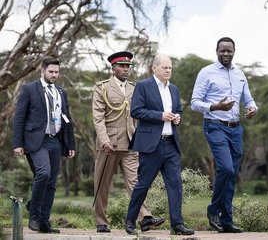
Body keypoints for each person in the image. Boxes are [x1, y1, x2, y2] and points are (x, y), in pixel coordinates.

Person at [92, 51, 165, 233]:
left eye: (128, 66)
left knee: (136, 182)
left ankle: (145, 218)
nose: (125, 69)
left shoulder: (134, 88)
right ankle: (101, 221)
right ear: (113, 67)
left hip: (132, 142)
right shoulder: (102, 88)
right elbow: (98, 118)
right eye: (121, 66)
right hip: (109, 143)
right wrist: (104, 140)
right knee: (103, 184)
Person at [190, 37, 258, 233]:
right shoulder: (206, 72)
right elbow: (195, 102)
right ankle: (213, 210)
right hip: (214, 126)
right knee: (226, 169)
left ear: (234, 51)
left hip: (236, 129)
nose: (226, 54)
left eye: (229, 51)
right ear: (217, 51)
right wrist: (215, 106)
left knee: (231, 175)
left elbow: (249, 99)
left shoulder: (240, 74)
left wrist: (253, 109)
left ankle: (226, 221)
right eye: (223, 51)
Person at [125, 54, 194, 236]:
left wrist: (177, 118)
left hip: (171, 144)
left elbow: (177, 110)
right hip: (151, 145)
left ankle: (177, 225)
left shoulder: (174, 89)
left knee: (175, 184)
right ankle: (131, 221)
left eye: (170, 67)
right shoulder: (143, 86)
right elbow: (136, 111)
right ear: (154, 68)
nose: (168, 70)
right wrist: (160, 116)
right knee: (143, 184)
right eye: (164, 67)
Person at [12, 56, 76, 234]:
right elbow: (19, 117)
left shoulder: (61, 92)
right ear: (42, 71)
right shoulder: (29, 89)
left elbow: (67, 119)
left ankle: (43, 221)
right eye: (51, 71)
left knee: (52, 182)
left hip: (55, 140)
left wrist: (70, 144)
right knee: (43, 173)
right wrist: (17, 143)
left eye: (56, 72)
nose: (54, 75)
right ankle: (33, 215)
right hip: (36, 141)